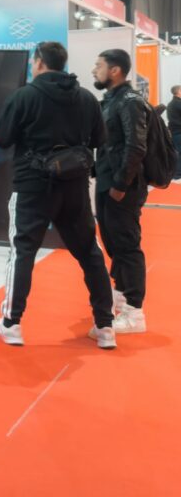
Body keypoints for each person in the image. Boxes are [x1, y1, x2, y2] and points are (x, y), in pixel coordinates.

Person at [0, 41, 115, 348]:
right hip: (74, 186)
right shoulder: (86, 97)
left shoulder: (24, 96)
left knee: (22, 253)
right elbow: (99, 139)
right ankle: (105, 326)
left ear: (39, 62)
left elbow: (1, 138)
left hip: (32, 187)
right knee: (90, 252)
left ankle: (11, 324)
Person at [93, 49, 149, 334]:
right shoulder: (111, 100)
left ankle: (135, 312)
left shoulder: (129, 101)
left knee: (126, 246)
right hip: (107, 182)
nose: (94, 70)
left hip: (122, 187)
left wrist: (120, 184)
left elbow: (136, 146)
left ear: (114, 70)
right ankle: (122, 293)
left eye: (99, 65)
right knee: (113, 243)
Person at [168, 85, 181, 180]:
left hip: (175, 132)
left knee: (177, 153)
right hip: (179, 132)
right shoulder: (178, 104)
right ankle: (177, 174)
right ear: (178, 92)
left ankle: (176, 173)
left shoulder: (171, 103)